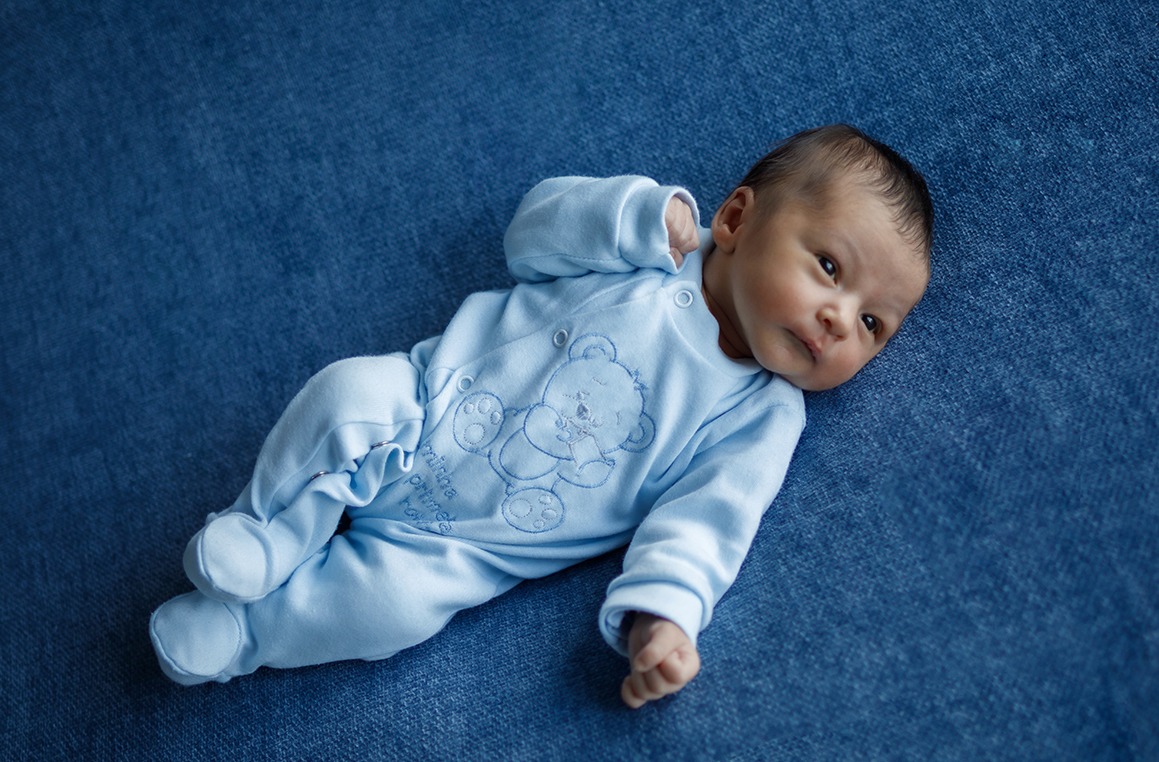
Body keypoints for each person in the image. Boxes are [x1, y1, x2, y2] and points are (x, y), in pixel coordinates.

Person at [150, 124, 933, 708]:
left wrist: (664, 618)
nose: (838, 318)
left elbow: (707, 526)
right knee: (344, 397)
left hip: (462, 549)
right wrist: (626, 213)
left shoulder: (762, 415)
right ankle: (265, 530)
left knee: (390, 612)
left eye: (873, 325)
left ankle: (246, 638)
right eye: (829, 267)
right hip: (423, 404)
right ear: (734, 220)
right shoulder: (653, 246)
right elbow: (529, 237)